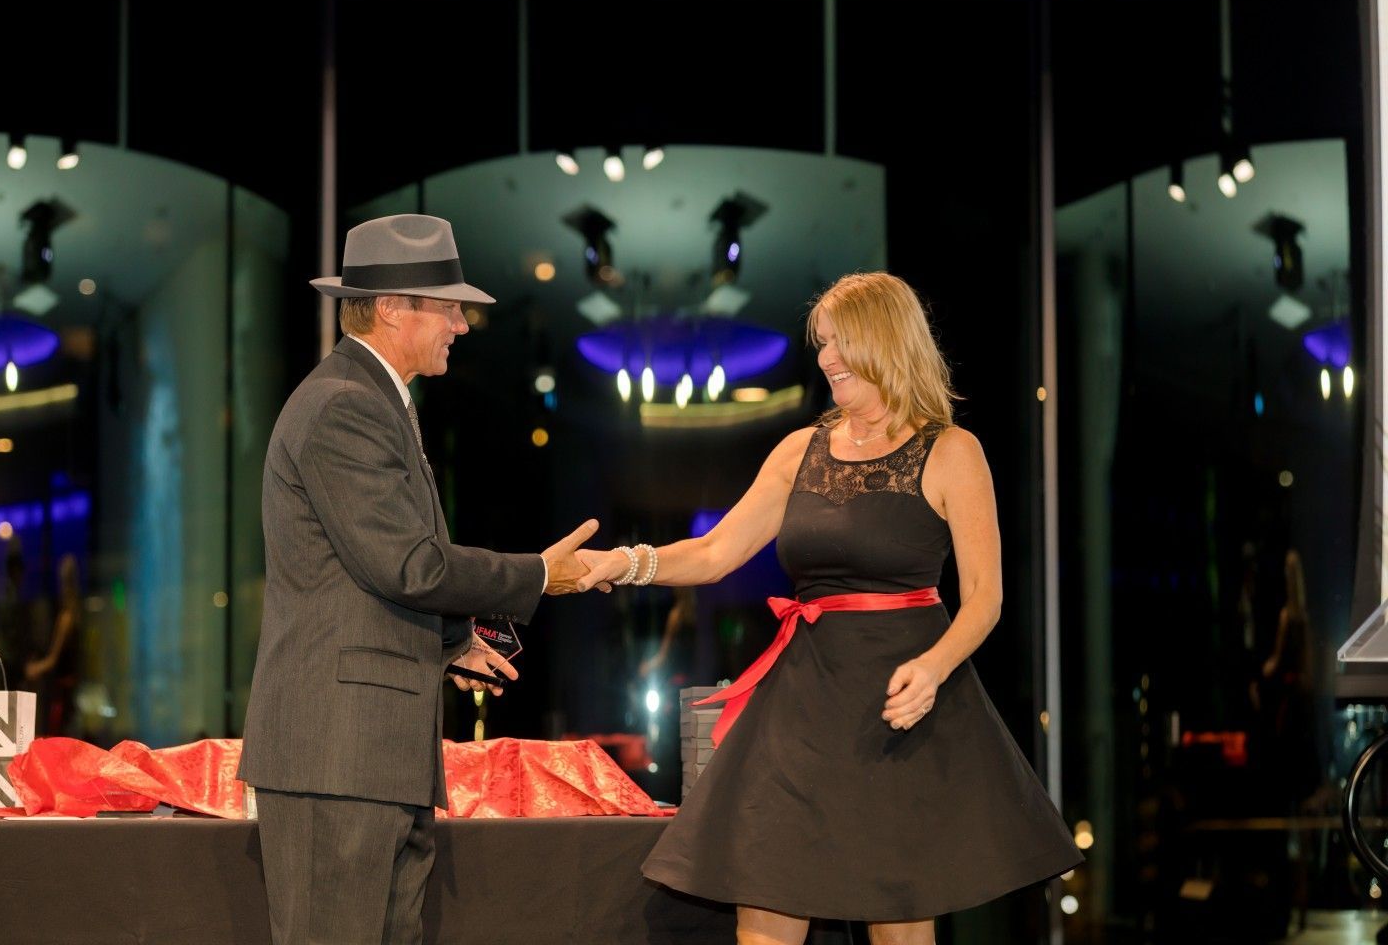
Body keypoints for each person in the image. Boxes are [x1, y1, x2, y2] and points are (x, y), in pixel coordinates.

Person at [576, 273, 1083, 945]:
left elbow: (985, 599)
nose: (825, 359)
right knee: (765, 913)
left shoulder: (953, 452)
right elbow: (715, 551)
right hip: (802, 708)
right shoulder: (800, 451)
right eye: (822, 344)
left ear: (887, 341)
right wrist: (624, 562)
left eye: (840, 342)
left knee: (898, 923)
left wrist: (932, 669)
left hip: (898, 710)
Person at [238, 214, 600, 945]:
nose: (462, 325)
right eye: (449, 306)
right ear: (393, 307)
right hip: (338, 761)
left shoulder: (371, 402)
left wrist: (450, 642)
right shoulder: (344, 405)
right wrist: (539, 575)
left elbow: (361, 580)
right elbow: (407, 565)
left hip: (371, 760)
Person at [24, 553, 83, 735]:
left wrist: (34, 669)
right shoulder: (76, 615)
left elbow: (52, 660)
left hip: (60, 692)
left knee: (54, 736)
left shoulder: (66, 618)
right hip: (69, 688)